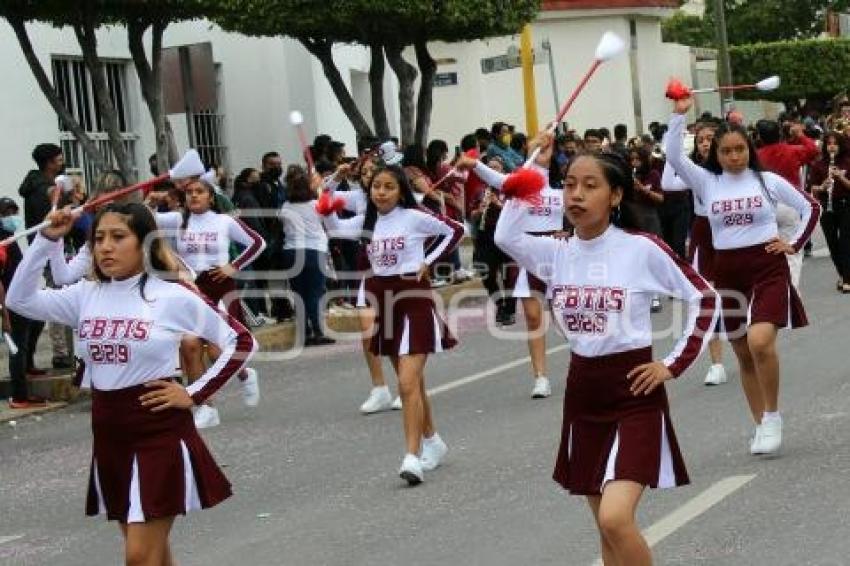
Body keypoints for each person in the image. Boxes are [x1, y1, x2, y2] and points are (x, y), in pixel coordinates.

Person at [494, 145, 718, 566]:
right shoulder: (556, 252)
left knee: (616, 520)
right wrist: (532, 167)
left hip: (634, 393)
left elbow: (705, 297)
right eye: (570, 185)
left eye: (590, 186)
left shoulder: (641, 248)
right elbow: (504, 236)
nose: (575, 194)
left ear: (615, 196)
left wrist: (672, 364)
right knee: (606, 532)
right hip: (583, 394)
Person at [7, 202, 257, 565]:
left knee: (139, 556)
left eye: (118, 237)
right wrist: (47, 240)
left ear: (145, 243)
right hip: (109, 432)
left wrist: (194, 393)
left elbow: (242, 341)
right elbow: (19, 299)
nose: (105, 247)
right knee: (154, 554)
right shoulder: (85, 295)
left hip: (158, 430)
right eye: (99, 238)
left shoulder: (172, 294)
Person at [666, 95, 821, 456]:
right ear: (715, 154)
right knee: (744, 354)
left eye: (740, 149)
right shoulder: (706, 183)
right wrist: (678, 115)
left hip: (766, 267)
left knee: (761, 342)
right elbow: (673, 156)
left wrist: (793, 244)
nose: (734, 156)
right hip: (727, 272)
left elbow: (809, 207)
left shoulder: (766, 181)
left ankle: (773, 414)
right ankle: (761, 424)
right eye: (726, 151)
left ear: (749, 149)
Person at [320, 165, 463, 485]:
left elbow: (455, 230)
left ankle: (412, 456)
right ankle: (433, 441)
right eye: (376, 187)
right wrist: (327, 198)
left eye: (388, 186)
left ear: (400, 190)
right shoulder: (366, 223)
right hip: (382, 300)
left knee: (408, 383)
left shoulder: (413, 217)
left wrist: (429, 260)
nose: (381, 192)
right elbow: (333, 228)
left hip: (413, 298)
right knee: (412, 383)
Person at [457, 132, 566, 399]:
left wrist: (570, 233)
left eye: (547, 150)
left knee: (565, 320)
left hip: (558, 254)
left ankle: (588, 360)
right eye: (538, 149)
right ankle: (540, 377)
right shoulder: (521, 188)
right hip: (529, 253)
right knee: (532, 317)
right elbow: (501, 180)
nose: (543, 152)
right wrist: (475, 165)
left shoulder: (564, 189)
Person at [152, 179, 266, 429]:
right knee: (190, 345)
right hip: (193, 289)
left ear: (211, 197)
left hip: (221, 287)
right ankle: (206, 407)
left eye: (199, 192)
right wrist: (151, 202)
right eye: (190, 192)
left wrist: (233, 266)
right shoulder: (177, 221)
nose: (194, 196)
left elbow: (257, 243)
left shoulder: (224, 221)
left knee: (217, 350)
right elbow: (143, 221)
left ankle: (246, 374)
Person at [662, 121, 728, 385]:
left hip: (730, 232)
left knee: (738, 295)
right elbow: (668, 183)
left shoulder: (732, 169)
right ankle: (717, 363)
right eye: (700, 139)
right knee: (706, 297)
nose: (704, 143)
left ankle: (750, 352)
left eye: (710, 138)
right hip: (703, 232)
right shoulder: (694, 172)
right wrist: (671, 147)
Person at [280, 165, 335, 346]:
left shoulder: (285, 206)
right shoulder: (315, 205)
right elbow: (327, 216)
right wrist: (320, 191)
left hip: (291, 252)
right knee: (315, 293)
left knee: (299, 293)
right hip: (314, 251)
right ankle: (318, 330)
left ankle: (304, 333)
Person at [0, 197, 45, 409]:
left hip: (20, 297)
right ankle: (20, 396)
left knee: (35, 326)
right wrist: (4, 314)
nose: (12, 217)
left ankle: (28, 366)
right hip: (9, 300)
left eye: (13, 212)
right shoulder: (2, 241)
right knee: (17, 346)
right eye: (7, 213)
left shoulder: (10, 236)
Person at [808, 131, 850, 293]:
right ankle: (843, 275)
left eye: (835, 143)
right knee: (833, 244)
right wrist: (823, 187)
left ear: (840, 145)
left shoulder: (847, 162)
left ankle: (847, 279)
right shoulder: (818, 165)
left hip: (846, 205)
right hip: (827, 206)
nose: (832, 146)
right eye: (829, 143)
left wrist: (841, 177)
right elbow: (813, 189)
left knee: (846, 243)